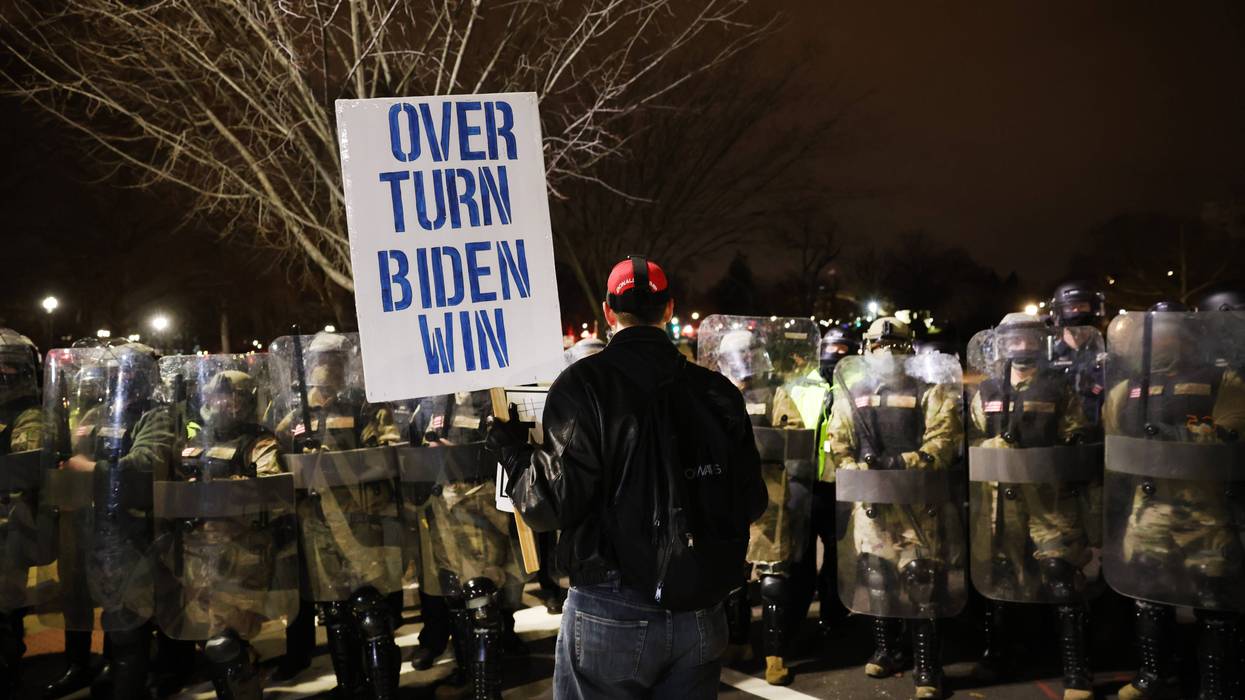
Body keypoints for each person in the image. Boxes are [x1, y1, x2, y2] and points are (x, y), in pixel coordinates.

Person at [487, 256, 767, 699]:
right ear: (669, 309)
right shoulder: (715, 391)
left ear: (608, 312)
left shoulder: (583, 386)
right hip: (701, 603)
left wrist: (513, 452)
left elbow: (549, 504)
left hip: (611, 601)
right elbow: (752, 500)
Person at [1103, 302, 1244, 700]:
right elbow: (1115, 445)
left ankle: (1215, 686)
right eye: (1155, 333)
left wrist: (1177, 437)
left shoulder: (1222, 380)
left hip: (1206, 512)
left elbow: (1233, 430)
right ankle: (1155, 675)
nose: (1164, 340)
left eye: (1172, 332)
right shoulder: (1124, 390)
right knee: (1149, 595)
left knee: (1214, 600)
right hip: (1148, 511)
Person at [827, 317, 965, 700]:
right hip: (872, 505)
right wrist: (860, 473)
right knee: (877, 577)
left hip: (918, 505)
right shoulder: (853, 393)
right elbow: (838, 444)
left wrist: (901, 464)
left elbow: (941, 445)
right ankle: (887, 649)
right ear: (867, 350)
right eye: (879, 346)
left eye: (896, 347)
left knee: (924, 582)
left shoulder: (930, 393)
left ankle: (927, 667)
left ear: (908, 350)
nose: (887, 353)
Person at [966, 313, 1101, 700]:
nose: (1022, 346)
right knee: (1001, 576)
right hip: (998, 501)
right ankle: (999, 655)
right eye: (1015, 339)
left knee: (1061, 575)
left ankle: (1076, 670)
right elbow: (973, 438)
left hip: (1049, 501)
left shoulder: (1058, 388)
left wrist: (1060, 450)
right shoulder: (988, 390)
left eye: (1029, 339)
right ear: (1002, 344)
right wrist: (994, 449)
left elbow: (1076, 432)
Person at [152, 360, 298, 699]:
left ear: (247, 402)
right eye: (218, 397)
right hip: (195, 557)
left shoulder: (259, 443)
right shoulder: (192, 441)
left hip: (241, 556)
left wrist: (225, 489)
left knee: (223, 643)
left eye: (232, 398)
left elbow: (271, 495)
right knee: (211, 643)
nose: (223, 404)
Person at [273, 331, 404, 699]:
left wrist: (340, 461)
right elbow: (276, 454)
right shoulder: (296, 412)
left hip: (363, 522)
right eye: (322, 361)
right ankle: (351, 687)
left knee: (371, 613)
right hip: (317, 526)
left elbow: (389, 451)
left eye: (335, 362)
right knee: (335, 614)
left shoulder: (365, 406)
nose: (327, 368)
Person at [44, 342, 175, 700]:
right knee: (109, 613)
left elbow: (147, 462)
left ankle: (135, 686)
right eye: (118, 370)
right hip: (95, 527)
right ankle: (110, 673)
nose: (123, 376)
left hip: (135, 530)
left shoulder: (155, 415)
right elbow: (73, 451)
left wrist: (91, 468)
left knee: (129, 621)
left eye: (131, 371)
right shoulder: (101, 411)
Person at [699, 317, 822, 685]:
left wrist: (765, 445)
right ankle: (738, 642)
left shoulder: (775, 393)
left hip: (769, 498)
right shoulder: (713, 395)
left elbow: (796, 437)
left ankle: (774, 653)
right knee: (732, 577)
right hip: (726, 499)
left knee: (772, 581)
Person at [789, 328, 857, 636]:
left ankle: (834, 611)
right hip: (805, 482)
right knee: (800, 554)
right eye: (831, 347)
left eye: (843, 348)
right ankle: (797, 613)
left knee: (837, 552)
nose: (835, 353)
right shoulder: (803, 386)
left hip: (840, 481)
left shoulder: (859, 386)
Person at [0, 328, 44, 700]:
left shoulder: (29, 417)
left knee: (3, 609)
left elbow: (24, 468)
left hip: (10, 525)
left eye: (7, 367)